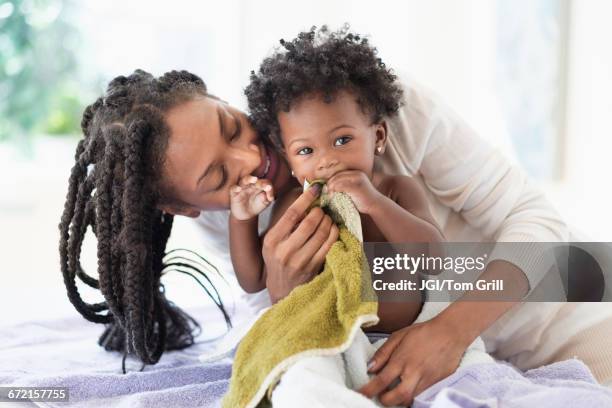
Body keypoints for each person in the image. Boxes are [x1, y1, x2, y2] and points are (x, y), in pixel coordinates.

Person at [58, 32, 611, 407]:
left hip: (558, 304)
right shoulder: (234, 216)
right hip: (402, 356)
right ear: (184, 207)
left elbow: (540, 225)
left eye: (231, 127)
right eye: (217, 178)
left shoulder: (358, 105)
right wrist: (281, 292)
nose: (253, 160)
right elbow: (293, 318)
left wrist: (449, 330)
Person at [227, 30, 445, 333]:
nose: (326, 160)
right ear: (288, 159)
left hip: (406, 336)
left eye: (342, 140)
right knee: (302, 375)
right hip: (329, 337)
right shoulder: (296, 204)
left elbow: (436, 261)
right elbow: (255, 279)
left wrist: (375, 203)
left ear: (378, 137)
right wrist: (241, 220)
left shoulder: (395, 190)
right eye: (305, 150)